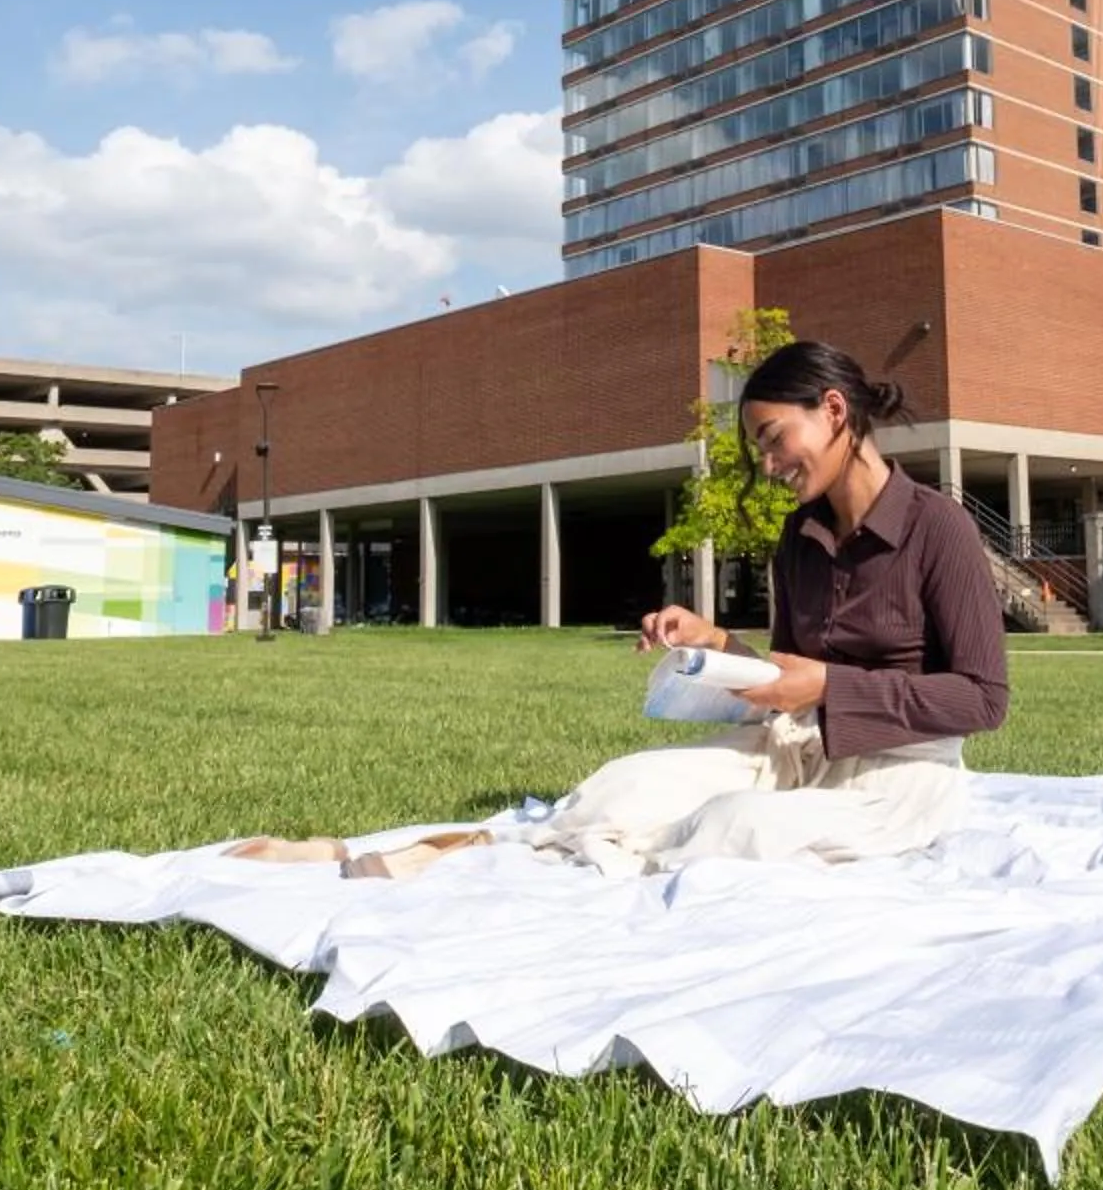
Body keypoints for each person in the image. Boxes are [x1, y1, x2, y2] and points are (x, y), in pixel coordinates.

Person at [230, 339, 1012, 878]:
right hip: (794, 747)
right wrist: (716, 643)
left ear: (834, 410)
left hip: (897, 776)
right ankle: (451, 852)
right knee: (623, 786)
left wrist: (832, 688)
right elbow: (787, 677)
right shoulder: (798, 539)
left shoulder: (937, 527)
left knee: (733, 825)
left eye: (775, 439)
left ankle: (531, 869)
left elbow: (983, 699)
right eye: (760, 450)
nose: (769, 465)